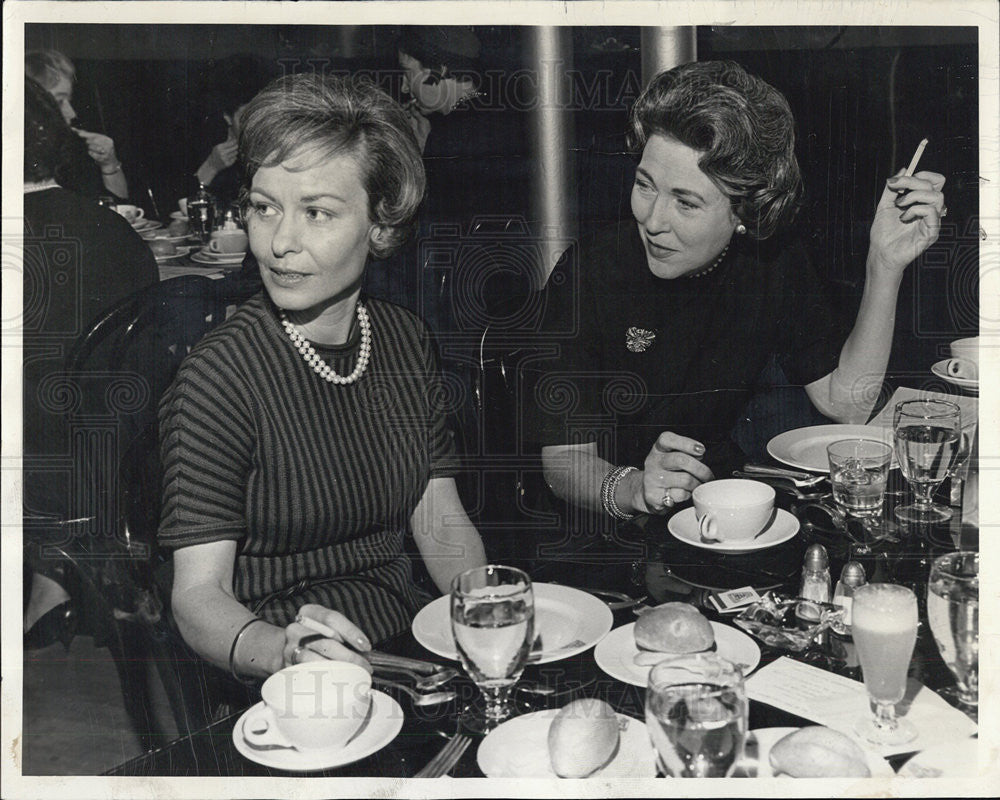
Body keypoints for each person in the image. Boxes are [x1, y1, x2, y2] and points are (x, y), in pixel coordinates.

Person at [158, 73, 487, 680]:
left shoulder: (403, 340)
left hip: (407, 641)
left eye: (317, 213)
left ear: (381, 225)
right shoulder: (219, 375)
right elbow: (197, 599)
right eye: (264, 208)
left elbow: (437, 515)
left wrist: (487, 616)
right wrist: (284, 649)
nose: (280, 241)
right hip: (281, 664)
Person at [531, 61, 946, 524]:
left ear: (745, 211)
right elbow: (563, 463)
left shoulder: (771, 259)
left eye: (685, 202)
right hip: (604, 532)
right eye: (645, 185)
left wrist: (884, 265)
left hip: (719, 510)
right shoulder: (591, 271)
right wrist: (634, 489)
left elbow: (846, 400)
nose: (652, 220)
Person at [22, 76, 158, 648]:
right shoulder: (112, 226)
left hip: (39, 461)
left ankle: (50, 573)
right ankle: (53, 580)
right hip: (125, 455)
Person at [25, 49, 130, 200]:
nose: (72, 113)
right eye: (60, 101)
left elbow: (120, 209)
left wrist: (109, 164)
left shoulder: (74, 148)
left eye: (69, 100)